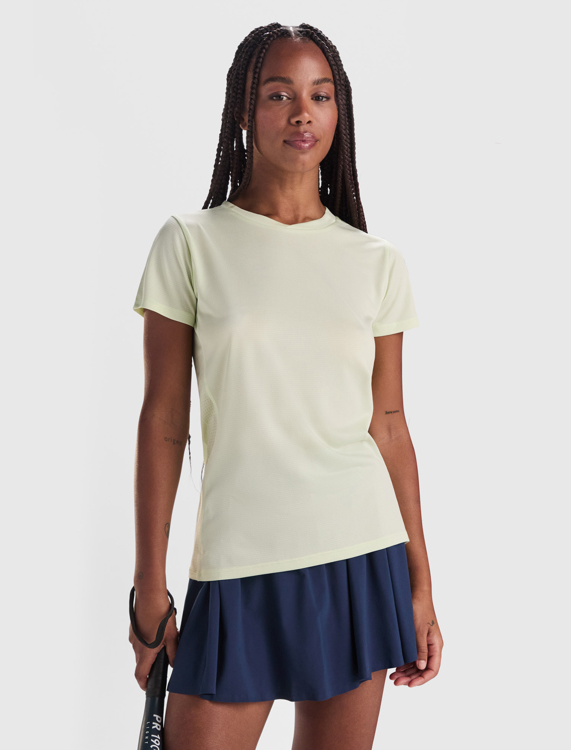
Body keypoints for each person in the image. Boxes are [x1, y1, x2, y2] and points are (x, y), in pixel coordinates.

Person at [128, 21, 443, 750]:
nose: (303, 113)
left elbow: (389, 424)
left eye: (320, 95)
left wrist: (421, 586)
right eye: (279, 94)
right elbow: (164, 420)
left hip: (361, 555)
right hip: (238, 563)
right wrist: (149, 587)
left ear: (339, 111)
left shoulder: (375, 261)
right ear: (245, 110)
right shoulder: (190, 243)